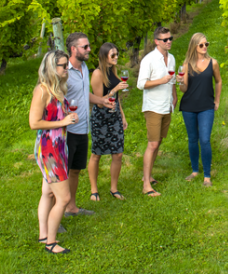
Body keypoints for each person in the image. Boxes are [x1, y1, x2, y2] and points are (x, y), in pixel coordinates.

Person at [29, 50, 78, 255]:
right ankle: (51, 242)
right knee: (64, 198)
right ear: (51, 67)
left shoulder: (58, 89)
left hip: (58, 146)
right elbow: (34, 123)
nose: (67, 68)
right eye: (63, 66)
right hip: (49, 150)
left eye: (67, 65)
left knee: (48, 193)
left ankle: (43, 235)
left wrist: (66, 115)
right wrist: (63, 121)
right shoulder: (42, 90)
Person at [63, 32, 112, 216]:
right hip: (67, 131)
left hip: (83, 128)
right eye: (85, 47)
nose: (89, 49)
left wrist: (101, 100)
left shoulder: (84, 68)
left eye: (89, 46)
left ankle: (72, 207)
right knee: (61, 175)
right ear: (73, 49)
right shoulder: (64, 71)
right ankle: (54, 216)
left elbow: (84, 95)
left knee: (75, 170)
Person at [137, 26, 178, 196]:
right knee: (152, 144)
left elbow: (172, 79)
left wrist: (174, 97)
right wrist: (161, 81)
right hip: (153, 106)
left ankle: (149, 175)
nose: (169, 42)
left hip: (166, 105)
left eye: (170, 39)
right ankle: (146, 185)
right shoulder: (149, 60)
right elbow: (141, 84)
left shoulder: (172, 58)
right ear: (156, 41)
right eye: (165, 40)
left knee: (159, 141)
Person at [87, 43, 130, 201]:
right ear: (104, 56)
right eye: (113, 55)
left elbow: (116, 99)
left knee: (118, 153)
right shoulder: (97, 74)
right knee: (97, 154)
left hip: (114, 115)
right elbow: (99, 102)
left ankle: (114, 188)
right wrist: (114, 90)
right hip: (101, 117)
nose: (116, 57)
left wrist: (122, 115)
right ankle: (94, 190)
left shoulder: (113, 71)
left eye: (117, 54)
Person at [179, 32, 222, 186]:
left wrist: (217, 100)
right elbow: (184, 89)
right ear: (194, 46)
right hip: (189, 106)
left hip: (206, 106)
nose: (205, 47)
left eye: (206, 44)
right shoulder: (186, 65)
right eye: (201, 45)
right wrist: (179, 82)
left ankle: (207, 176)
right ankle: (195, 170)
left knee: (204, 139)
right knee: (192, 139)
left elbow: (218, 81)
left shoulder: (213, 63)